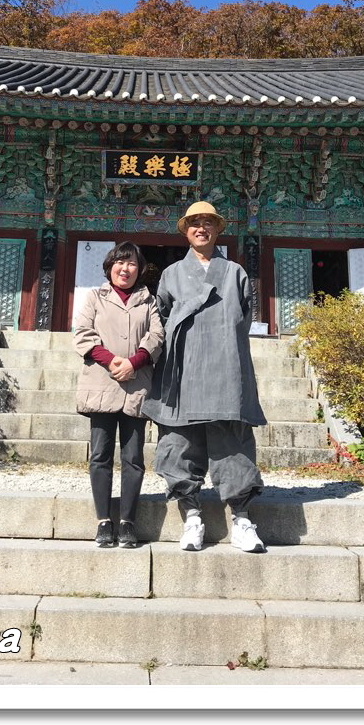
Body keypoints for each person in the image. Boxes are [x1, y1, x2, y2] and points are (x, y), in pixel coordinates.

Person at [142, 202, 267, 553]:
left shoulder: (235, 272)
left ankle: (241, 519)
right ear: (186, 231)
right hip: (182, 368)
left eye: (208, 222)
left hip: (225, 366)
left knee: (233, 443)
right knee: (179, 442)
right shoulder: (171, 274)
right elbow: (161, 317)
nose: (201, 228)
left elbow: (243, 318)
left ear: (217, 230)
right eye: (194, 223)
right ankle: (192, 516)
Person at [74, 242, 165, 548]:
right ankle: (103, 521)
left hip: (135, 385)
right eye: (120, 262)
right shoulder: (94, 297)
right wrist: (113, 361)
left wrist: (134, 362)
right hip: (102, 382)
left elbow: (157, 336)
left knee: (133, 457)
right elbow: (83, 334)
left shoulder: (148, 301)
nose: (125, 269)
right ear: (110, 266)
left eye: (132, 264)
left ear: (140, 270)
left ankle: (127, 521)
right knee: (100, 455)